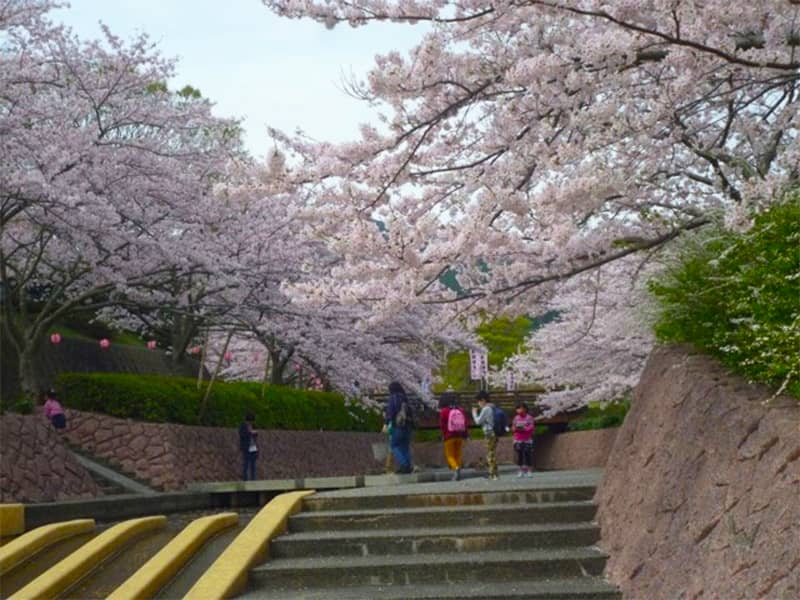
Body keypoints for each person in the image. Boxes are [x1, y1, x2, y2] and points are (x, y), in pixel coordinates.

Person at [383, 381, 414, 474]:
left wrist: (387, 422)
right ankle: (408, 466)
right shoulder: (406, 398)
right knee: (405, 447)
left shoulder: (393, 398)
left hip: (399, 425)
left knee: (394, 445)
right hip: (408, 426)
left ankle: (404, 464)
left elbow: (390, 412)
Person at [439, 391, 468, 480]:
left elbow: (442, 425)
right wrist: (465, 434)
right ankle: (458, 468)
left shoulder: (444, 411)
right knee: (458, 454)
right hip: (459, 435)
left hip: (449, 437)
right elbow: (465, 423)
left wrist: (443, 435)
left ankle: (456, 469)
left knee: (450, 455)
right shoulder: (460, 410)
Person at [472, 390, 498, 480]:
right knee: (492, 453)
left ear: (483, 400)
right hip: (495, 432)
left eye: (478, 401)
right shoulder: (493, 407)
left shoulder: (486, 408)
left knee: (490, 454)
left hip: (489, 433)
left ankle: (492, 474)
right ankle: (495, 473)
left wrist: (474, 413)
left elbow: (478, 421)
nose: (478, 403)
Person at [511, 402, 535, 477]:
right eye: (518, 408)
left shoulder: (529, 417)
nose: (519, 410)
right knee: (520, 455)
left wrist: (524, 429)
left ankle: (529, 470)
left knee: (528, 454)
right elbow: (513, 427)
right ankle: (520, 470)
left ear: (525, 409)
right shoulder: (516, 418)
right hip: (518, 439)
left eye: (521, 408)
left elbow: (531, 427)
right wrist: (515, 429)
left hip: (527, 439)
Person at [238, 412, 259, 481]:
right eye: (249, 422)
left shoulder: (253, 426)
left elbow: (256, 434)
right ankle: (245, 479)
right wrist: (249, 432)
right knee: (246, 463)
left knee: (253, 464)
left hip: (253, 447)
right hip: (246, 447)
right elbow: (242, 435)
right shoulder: (242, 426)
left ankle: (253, 479)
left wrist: (254, 432)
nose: (250, 423)